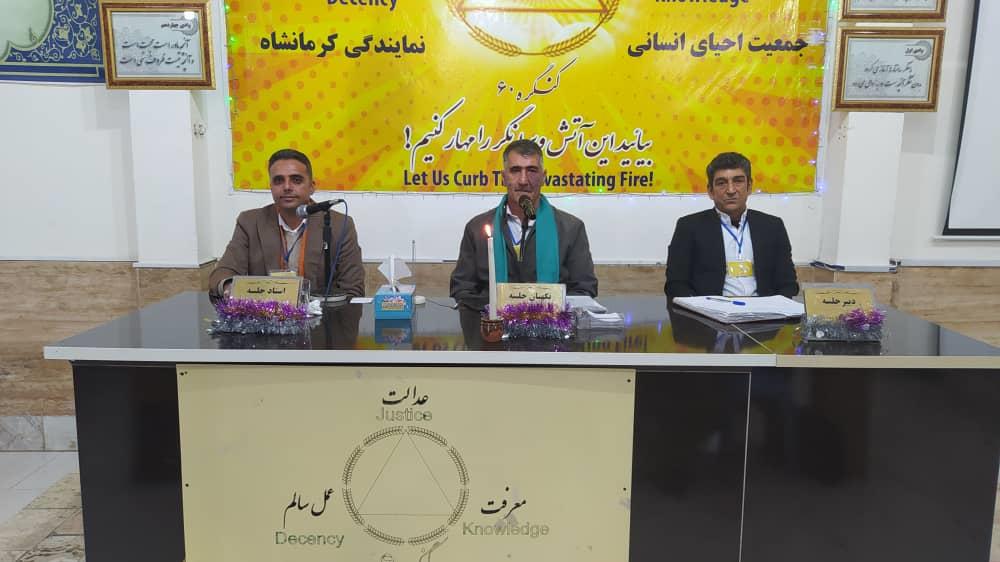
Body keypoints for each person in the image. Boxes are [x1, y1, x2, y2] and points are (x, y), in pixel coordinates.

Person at [449, 139, 598, 309]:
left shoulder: (571, 229)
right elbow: (462, 289)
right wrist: (494, 312)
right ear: (504, 177)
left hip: (551, 324)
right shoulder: (477, 229)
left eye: (532, 171)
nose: (523, 180)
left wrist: (549, 313)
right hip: (491, 324)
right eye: (515, 170)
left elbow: (584, 289)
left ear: (543, 177)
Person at [209, 148, 365, 298]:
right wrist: (230, 288)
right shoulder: (250, 222)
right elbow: (223, 273)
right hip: (266, 314)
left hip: (321, 314)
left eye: (296, 180)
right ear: (271, 186)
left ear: (312, 187)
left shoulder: (339, 224)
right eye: (279, 181)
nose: (287, 187)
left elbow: (353, 288)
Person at [665, 151, 798, 302]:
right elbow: (676, 284)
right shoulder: (689, 227)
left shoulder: (772, 226)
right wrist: (702, 308)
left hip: (764, 312)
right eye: (721, 183)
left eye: (738, 181)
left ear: (749, 186)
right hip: (710, 312)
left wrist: (774, 308)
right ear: (710, 191)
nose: (731, 190)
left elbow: (788, 283)